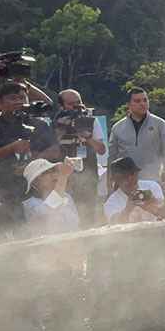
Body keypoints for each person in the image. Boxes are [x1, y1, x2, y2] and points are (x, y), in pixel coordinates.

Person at [0, 82, 59, 223]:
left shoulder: (39, 124)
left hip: (35, 193)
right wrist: (11, 148)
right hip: (0, 191)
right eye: (12, 98)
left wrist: (31, 164)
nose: (18, 102)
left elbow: (54, 150)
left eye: (22, 98)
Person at [108, 87, 165, 195]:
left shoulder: (159, 124)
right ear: (128, 105)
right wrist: (109, 183)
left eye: (145, 100)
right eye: (137, 101)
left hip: (152, 180)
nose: (142, 104)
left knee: (152, 210)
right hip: (124, 182)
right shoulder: (118, 128)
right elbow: (111, 157)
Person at [54, 89, 106, 227]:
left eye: (79, 103)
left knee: (88, 215)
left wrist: (87, 135)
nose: (77, 107)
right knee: (66, 213)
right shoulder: (55, 123)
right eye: (72, 104)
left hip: (87, 175)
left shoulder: (91, 121)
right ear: (62, 107)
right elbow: (50, 151)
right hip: (64, 177)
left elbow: (101, 150)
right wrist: (61, 129)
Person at [22, 158, 82, 236]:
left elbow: (77, 226)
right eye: (47, 172)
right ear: (35, 181)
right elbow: (51, 208)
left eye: (54, 171)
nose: (54, 175)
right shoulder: (30, 204)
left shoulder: (67, 196)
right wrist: (63, 176)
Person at [104, 156, 165, 224]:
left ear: (137, 174)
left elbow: (164, 213)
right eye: (124, 177)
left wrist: (154, 209)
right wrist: (127, 211)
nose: (130, 179)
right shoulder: (112, 202)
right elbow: (114, 225)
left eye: (132, 174)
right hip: (128, 234)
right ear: (117, 181)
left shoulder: (152, 186)